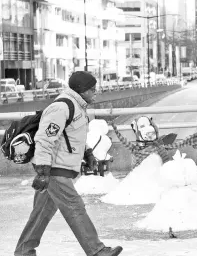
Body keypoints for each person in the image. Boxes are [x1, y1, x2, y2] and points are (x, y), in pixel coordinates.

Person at [15, 71, 122, 256]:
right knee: (75, 206)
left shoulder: (78, 107)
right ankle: (96, 251)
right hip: (54, 169)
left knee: (42, 212)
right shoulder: (62, 107)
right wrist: (42, 172)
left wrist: (87, 153)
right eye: (92, 89)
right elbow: (44, 139)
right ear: (81, 90)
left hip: (60, 168)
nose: (96, 92)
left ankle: (24, 251)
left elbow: (73, 137)